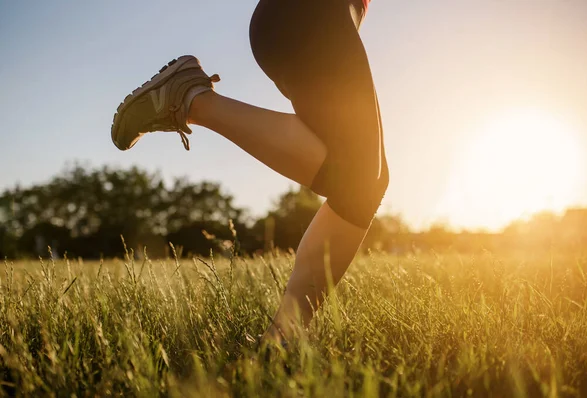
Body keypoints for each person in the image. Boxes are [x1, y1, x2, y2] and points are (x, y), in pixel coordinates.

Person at [111, 0, 388, 346]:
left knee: (362, 182)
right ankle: (190, 100)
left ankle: (281, 339)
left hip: (318, 20)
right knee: (359, 179)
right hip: (311, 13)